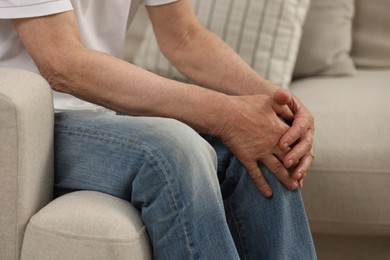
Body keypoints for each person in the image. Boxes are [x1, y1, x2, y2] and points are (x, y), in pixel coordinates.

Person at [0, 0, 316, 259]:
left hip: (97, 105)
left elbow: (184, 36)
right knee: (173, 152)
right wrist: (224, 113)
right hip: (27, 117)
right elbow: (63, 64)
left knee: (270, 141)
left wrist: (279, 106)